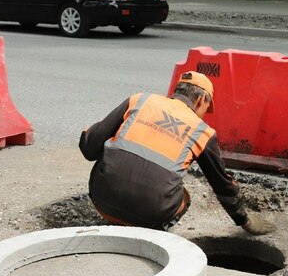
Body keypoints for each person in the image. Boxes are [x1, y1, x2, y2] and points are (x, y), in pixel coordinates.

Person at [79, 71, 275, 235]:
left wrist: (88, 133)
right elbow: (222, 185)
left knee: (110, 156)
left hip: (102, 200)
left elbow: (89, 149)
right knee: (183, 196)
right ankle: (151, 234)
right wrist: (245, 221)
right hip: (151, 215)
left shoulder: (139, 100)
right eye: (207, 107)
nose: (205, 113)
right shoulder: (202, 131)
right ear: (200, 99)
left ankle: (118, 220)